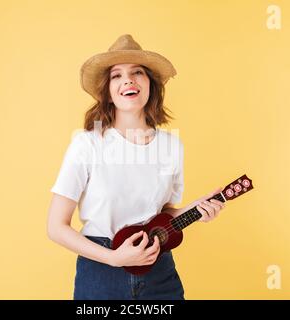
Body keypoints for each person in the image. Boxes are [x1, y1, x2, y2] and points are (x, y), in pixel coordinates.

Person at [47, 34, 225, 300]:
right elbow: (56, 227)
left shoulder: (171, 146)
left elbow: (163, 217)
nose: (128, 80)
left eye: (137, 72)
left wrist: (199, 208)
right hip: (101, 271)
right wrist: (114, 258)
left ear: (150, 84)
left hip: (159, 271)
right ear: (107, 91)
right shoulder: (88, 144)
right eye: (116, 75)